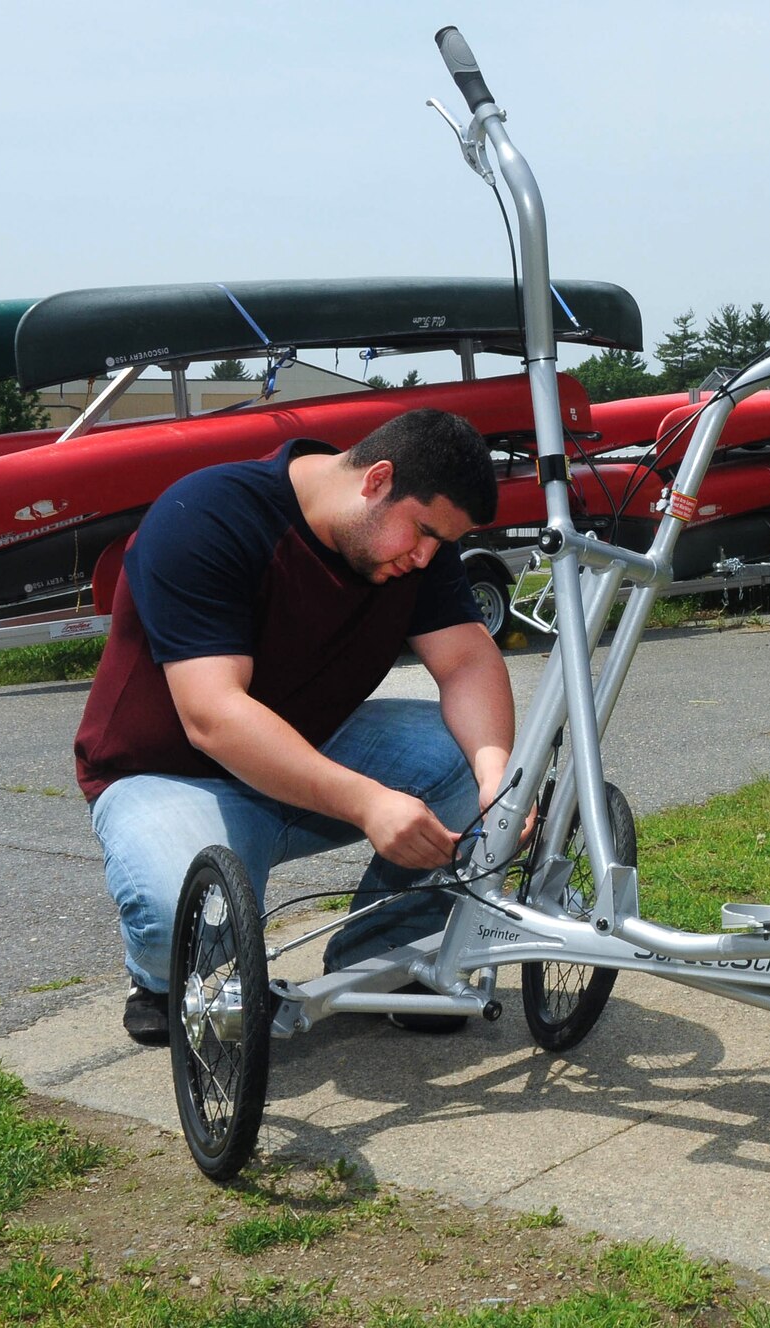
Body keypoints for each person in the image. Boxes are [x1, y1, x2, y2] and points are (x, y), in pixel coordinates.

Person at [74, 407, 517, 1045]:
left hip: (311, 743)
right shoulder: (204, 515)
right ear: (377, 480)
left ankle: (382, 954)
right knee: (187, 917)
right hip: (171, 773)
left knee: (464, 757)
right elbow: (213, 716)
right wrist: (368, 802)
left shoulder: (419, 546)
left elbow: (469, 659)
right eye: (421, 533)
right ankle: (161, 980)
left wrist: (496, 779)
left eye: (439, 544)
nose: (426, 558)